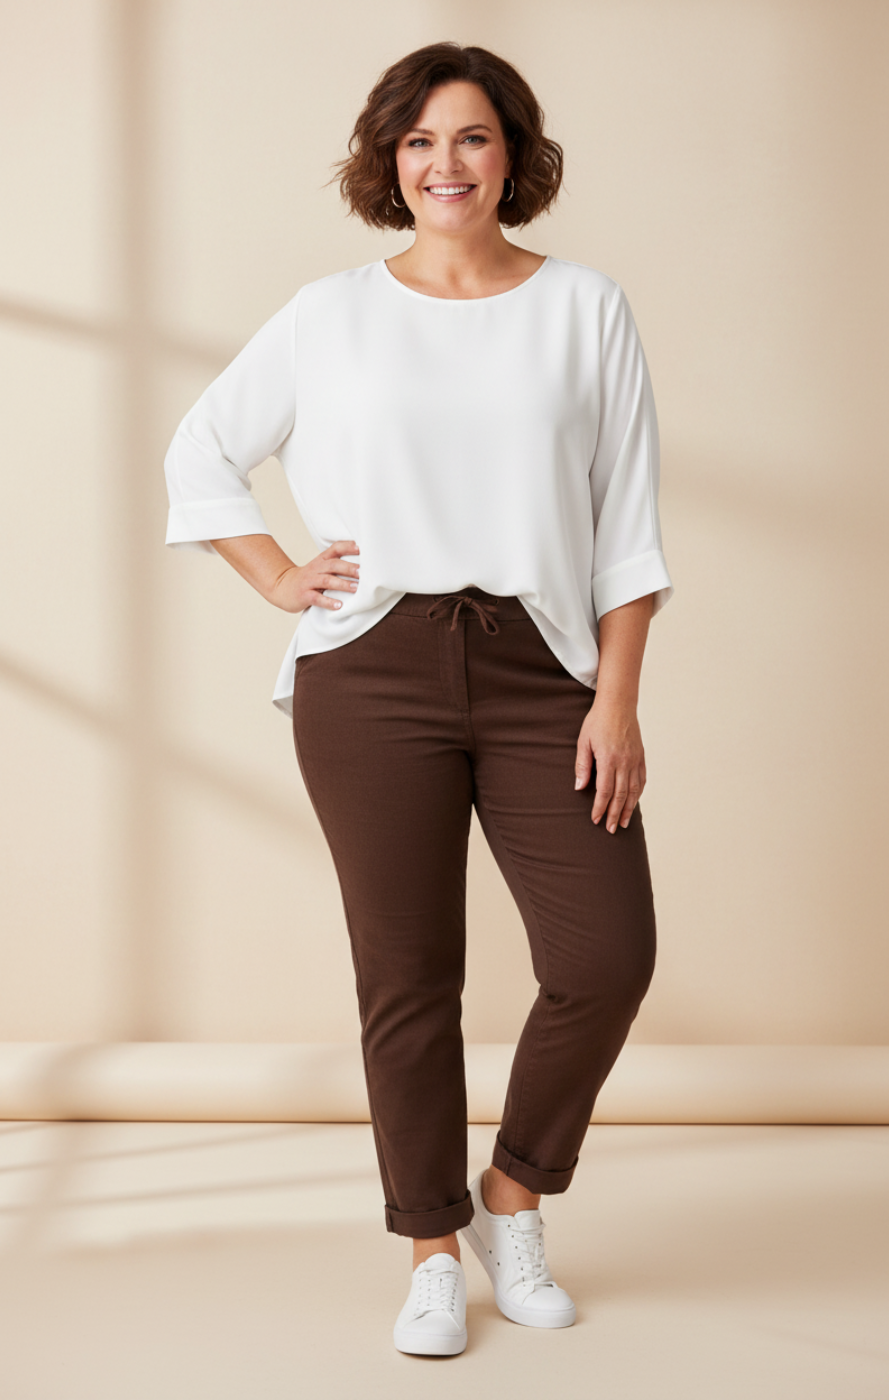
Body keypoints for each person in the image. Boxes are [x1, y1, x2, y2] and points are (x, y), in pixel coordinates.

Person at [163, 41, 673, 1357]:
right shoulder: (330, 312)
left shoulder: (584, 309)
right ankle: (432, 1248)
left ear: (516, 154)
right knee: (408, 976)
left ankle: (513, 1198)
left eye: (474, 138)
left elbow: (626, 529)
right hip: (371, 667)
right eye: (419, 143)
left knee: (605, 957)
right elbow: (203, 449)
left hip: (541, 667)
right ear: (389, 162)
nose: (446, 164)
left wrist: (613, 702)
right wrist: (277, 572)